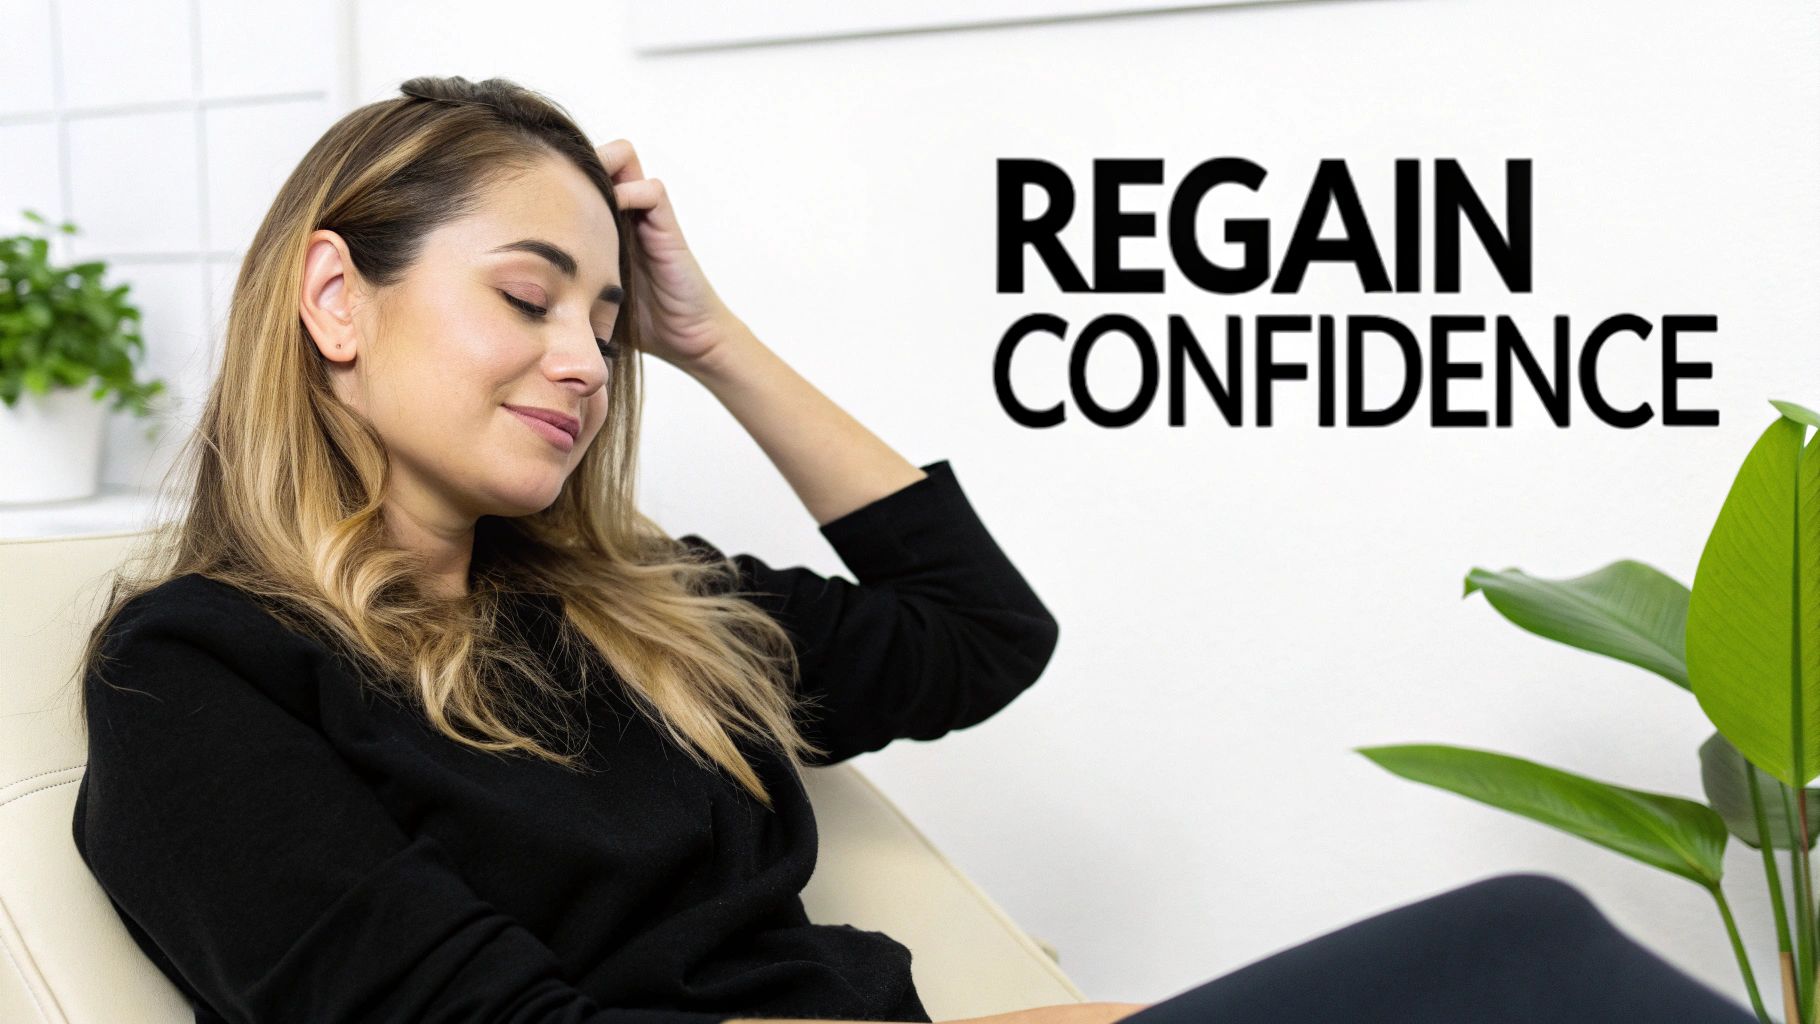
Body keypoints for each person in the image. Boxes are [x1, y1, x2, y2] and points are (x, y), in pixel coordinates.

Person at [67, 74, 1755, 1024]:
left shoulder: (622, 614)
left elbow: (973, 629)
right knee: (1522, 959)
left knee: (1523, 958)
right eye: (526, 297)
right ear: (335, 296)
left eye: (608, 319)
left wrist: (709, 335)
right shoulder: (206, 675)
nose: (586, 359)